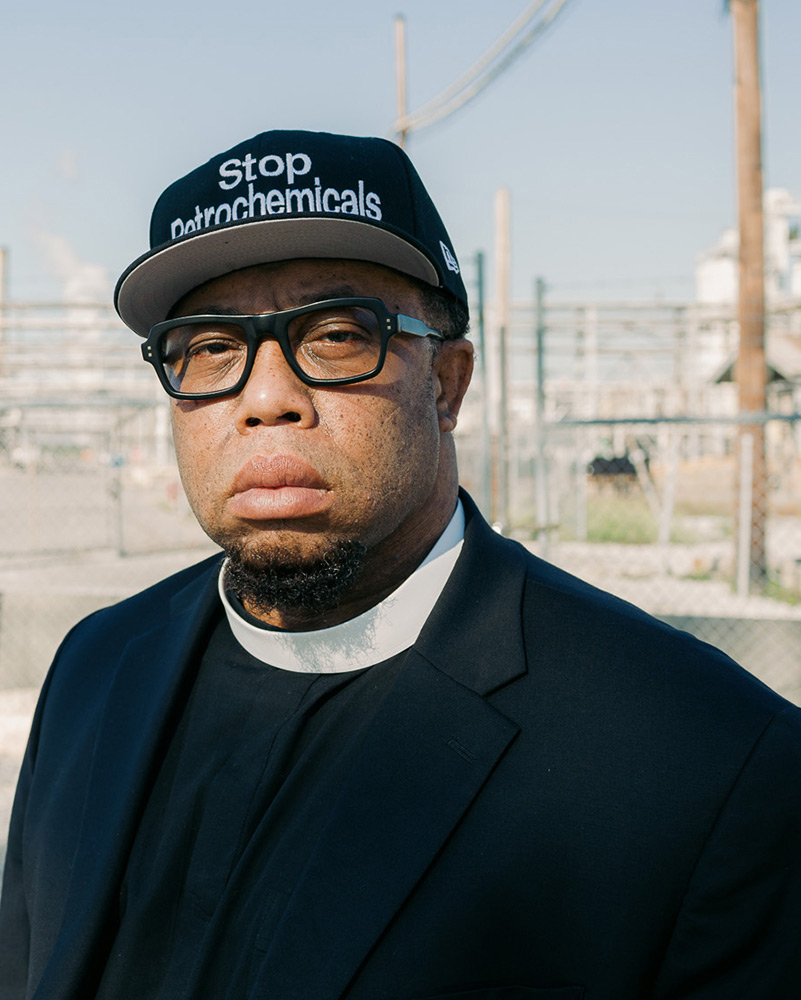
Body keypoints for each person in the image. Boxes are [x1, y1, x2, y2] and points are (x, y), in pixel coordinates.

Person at [1, 129, 800, 1000]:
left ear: (447, 384)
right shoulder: (96, 665)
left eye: (339, 335)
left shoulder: (702, 758)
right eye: (209, 346)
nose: (266, 398)